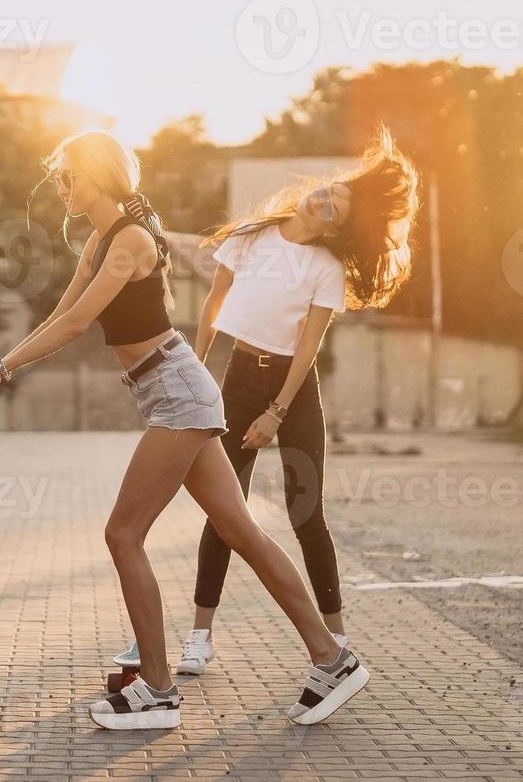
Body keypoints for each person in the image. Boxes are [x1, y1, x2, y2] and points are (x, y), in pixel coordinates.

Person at [0, 131, 369, 730]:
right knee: (241, 530)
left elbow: (75, 325)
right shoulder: (102, 237)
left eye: (69, 175)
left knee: (123, 535)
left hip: (177, 393)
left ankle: (157, 688)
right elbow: (61, 313)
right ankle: (332, 659)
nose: (62, 186)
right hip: (173, 390)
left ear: (98, 175)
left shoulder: (130, 240)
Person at [177, 130, 419, 675]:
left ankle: (335, 640)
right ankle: (199, 636)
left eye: (336, 206)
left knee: (306, 511)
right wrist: (195, 369)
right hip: (238, 378)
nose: (325, 199)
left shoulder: (326, 269)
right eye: (329, 190)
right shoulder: (249, 237)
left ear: (337, 227)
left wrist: (277, 411)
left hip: (293, 391)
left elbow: (308, 347)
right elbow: (213, 304)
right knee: (225, 508)